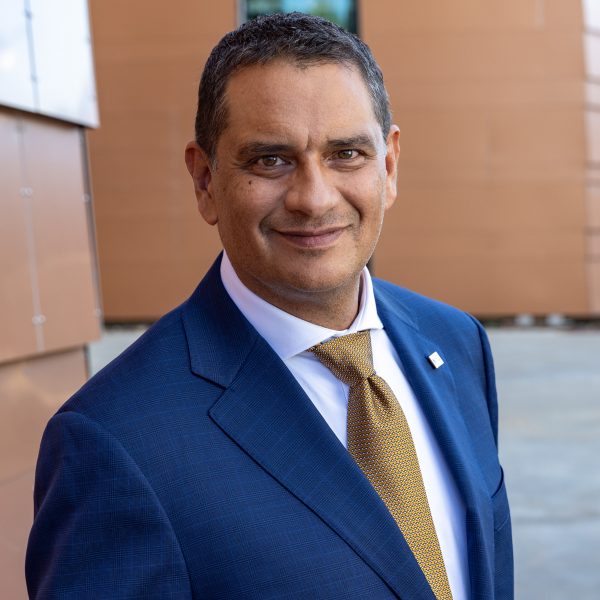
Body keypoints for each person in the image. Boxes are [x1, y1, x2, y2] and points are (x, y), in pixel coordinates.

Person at [26, 12, 512, 600]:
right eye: (271, 160)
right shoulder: (115, 441)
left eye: (347, 154)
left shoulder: (457, 343)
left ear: (389, 165)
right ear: (205, 181)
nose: (313, 198)